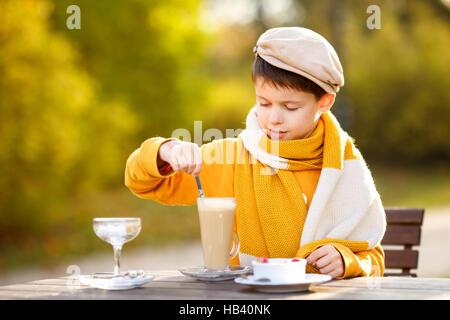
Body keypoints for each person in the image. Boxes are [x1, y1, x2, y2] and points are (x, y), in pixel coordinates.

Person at [124, 27, 386, 279]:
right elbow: (140, 183)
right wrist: (165, 151)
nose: (274, 118)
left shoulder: (346, 167)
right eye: (264, 102)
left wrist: (346, 260)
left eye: (290, 107)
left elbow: (373, 258)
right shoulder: (231, 158)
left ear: (325, 101)